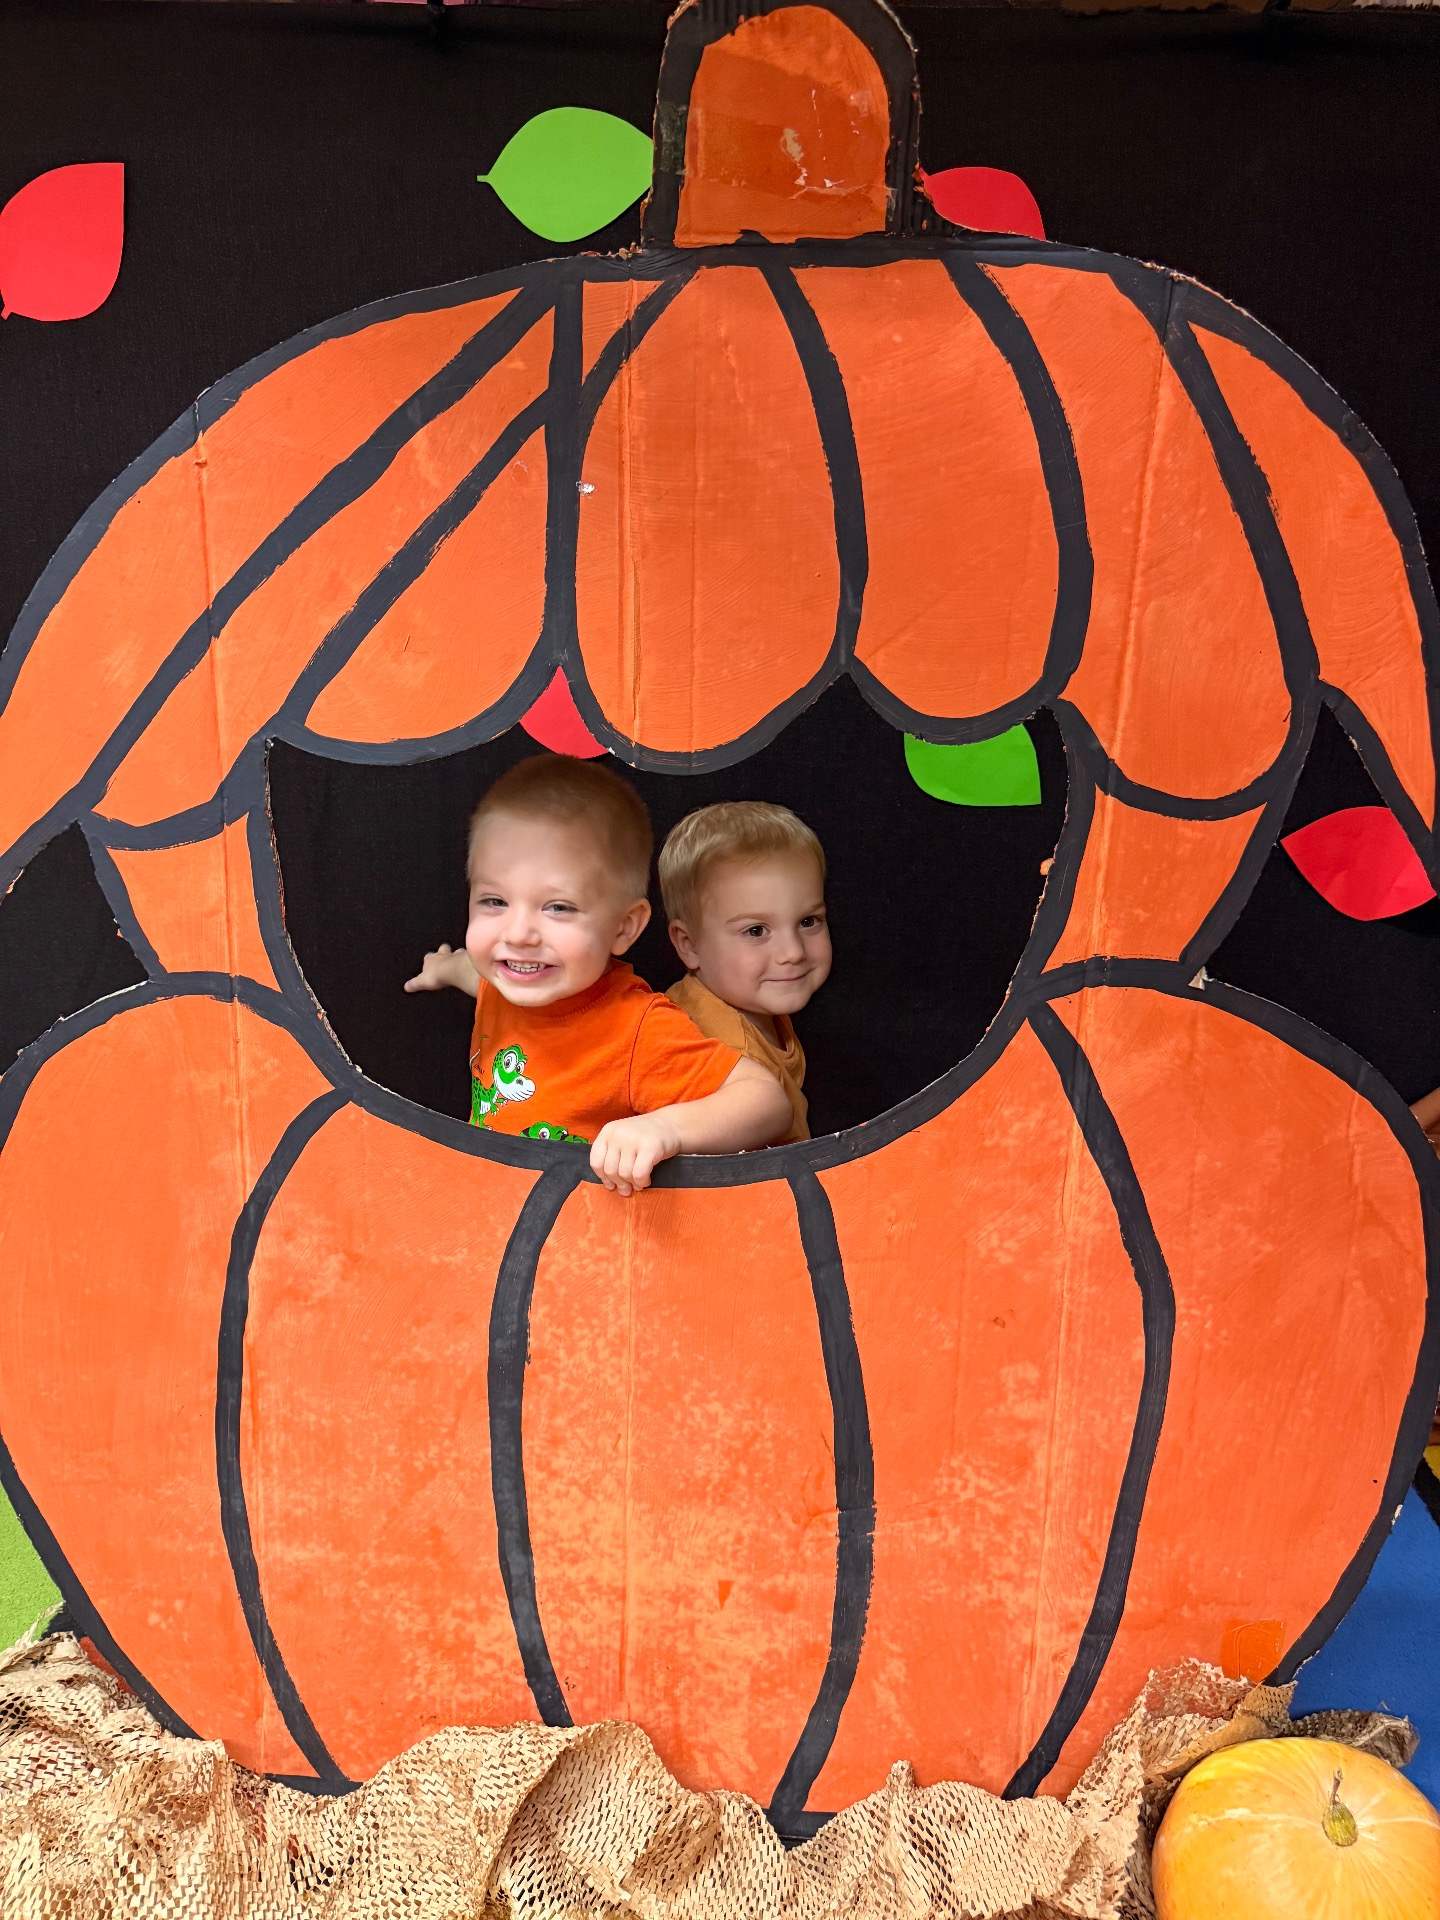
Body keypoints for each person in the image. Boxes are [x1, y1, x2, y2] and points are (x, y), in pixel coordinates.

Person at [405, 755, 789, 1196]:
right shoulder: (501, 979)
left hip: (577, 1229)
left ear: (624, 927)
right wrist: (442, 967)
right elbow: (471, 970)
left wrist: (664, 1128)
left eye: (558, 907)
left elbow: (766, 1102)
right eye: (495, 901)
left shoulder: (636, 1030)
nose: (517, 934)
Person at [659, 801, 831, 1144]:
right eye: (756, 931)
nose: (793, 952)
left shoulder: (749, 1003)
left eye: (808, 921)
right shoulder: (716, 1045)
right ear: (689, 945)